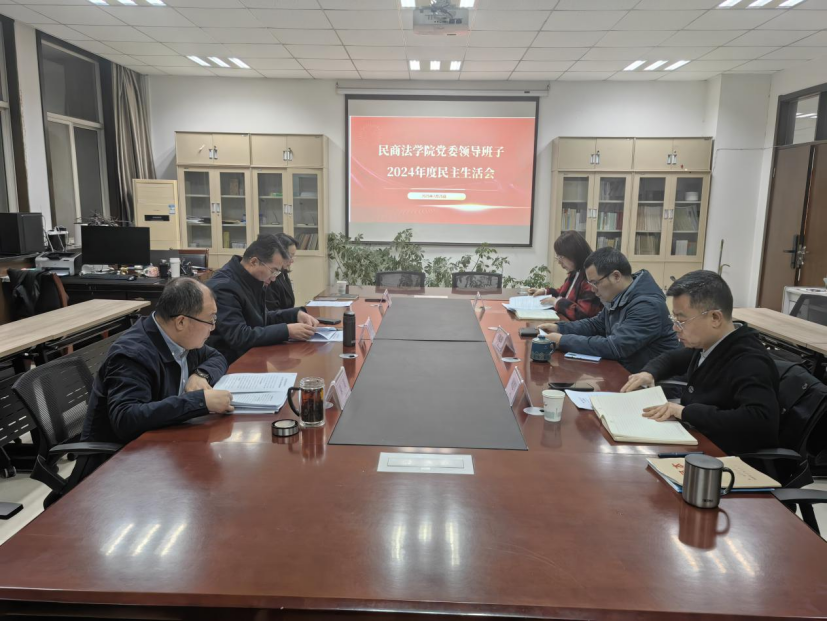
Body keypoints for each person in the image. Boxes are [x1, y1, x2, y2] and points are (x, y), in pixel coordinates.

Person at [621, 270, 779, 455]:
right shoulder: (710, 344)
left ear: (715, 318)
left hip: (723, 456)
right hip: (696, 438)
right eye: (674, 319)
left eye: (681, 320)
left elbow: (760, 421)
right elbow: (672, 359)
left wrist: (685, 412)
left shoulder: (749, 361)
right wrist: (649, 373)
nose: (675, 328)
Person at [81, 277, 233, 448]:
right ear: (181, 322)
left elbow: (217, 358)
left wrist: (201, 375)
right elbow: (126, 419)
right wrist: (199, 402)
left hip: (164, 442)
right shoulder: (132, 355)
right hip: (120, 456)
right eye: (210, 320)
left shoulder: (181, 338)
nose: (213, 327)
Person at [538, 247, 678, 373]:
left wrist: (562, 341)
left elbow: (615, 347)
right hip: (623, 371)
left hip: (646, 382)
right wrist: (560, 328)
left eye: (595, 283)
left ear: (616, 276)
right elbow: (596, 324)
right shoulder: (620, 296)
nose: (593, 290)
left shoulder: (647, 306)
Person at [207, 235, 318, 364]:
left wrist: (295, 314)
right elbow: (239, 336)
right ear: (254, 262)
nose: (274, 278)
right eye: (273, 271)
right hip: (230, 363)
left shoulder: (251, 279)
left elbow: (260, 319)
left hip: (251, 356)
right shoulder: (223, 287)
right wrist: (287, 331)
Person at [528, 231, 601, 321]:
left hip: (578, 327)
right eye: (558, 257)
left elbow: (582, 314)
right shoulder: (576, 272)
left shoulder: (590, 278)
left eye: (561, 257)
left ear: (574, 254)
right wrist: (544, 291)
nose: (559, 262)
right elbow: (564, 293)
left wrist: (556, 302)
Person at [266, 233, 298, 312]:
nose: (292, 261)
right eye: (290, 256)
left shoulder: (283, 273)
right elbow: (272, 311)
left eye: (293, 256)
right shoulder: (270, 278)